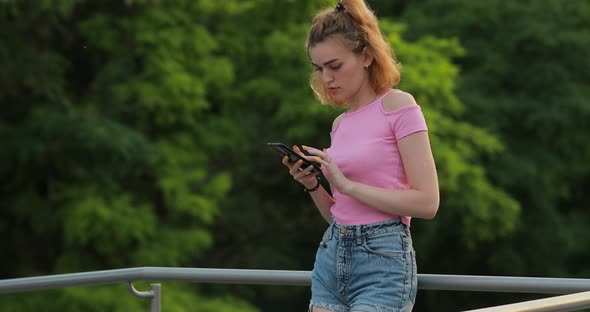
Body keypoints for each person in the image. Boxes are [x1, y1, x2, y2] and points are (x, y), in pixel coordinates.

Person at [280, 1, 439, 311]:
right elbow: (342, 215)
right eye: (319, 68)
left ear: (366, 56)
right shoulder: (340, 123)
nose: (326, 78)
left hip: (383, 261)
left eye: (335, 66)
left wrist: (347, 184)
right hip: (331, 254)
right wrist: (313, 184)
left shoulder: (399, 106)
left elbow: (428, 203)